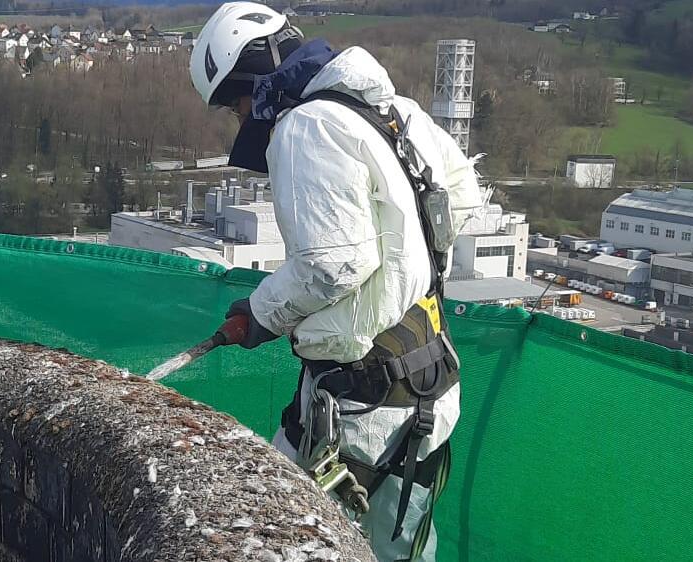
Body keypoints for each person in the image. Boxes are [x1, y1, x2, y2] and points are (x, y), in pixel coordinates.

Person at [188, 3, 484, 561]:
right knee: (399, 544)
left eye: (236, 102)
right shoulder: (393, 110)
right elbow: (461, 195)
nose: (242, 117)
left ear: (254, 76)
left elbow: (332, 264)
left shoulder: (306, 127)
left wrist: (261, 310)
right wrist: (401, 277)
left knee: (282, 530)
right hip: (423, 371)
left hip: (363, 402)